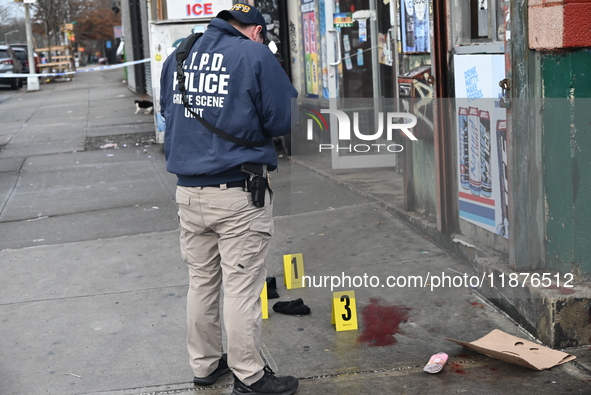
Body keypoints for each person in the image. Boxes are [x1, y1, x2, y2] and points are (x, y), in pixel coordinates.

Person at [159, 3, 298, 395]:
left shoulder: (180, 54)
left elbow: (170, 113)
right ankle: (250, 375)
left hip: (189, 191)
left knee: (202, 281)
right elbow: (284, 118)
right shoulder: (253, 53)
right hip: (237, 192)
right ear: (255, 31)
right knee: (241, 286)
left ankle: (205, 365)